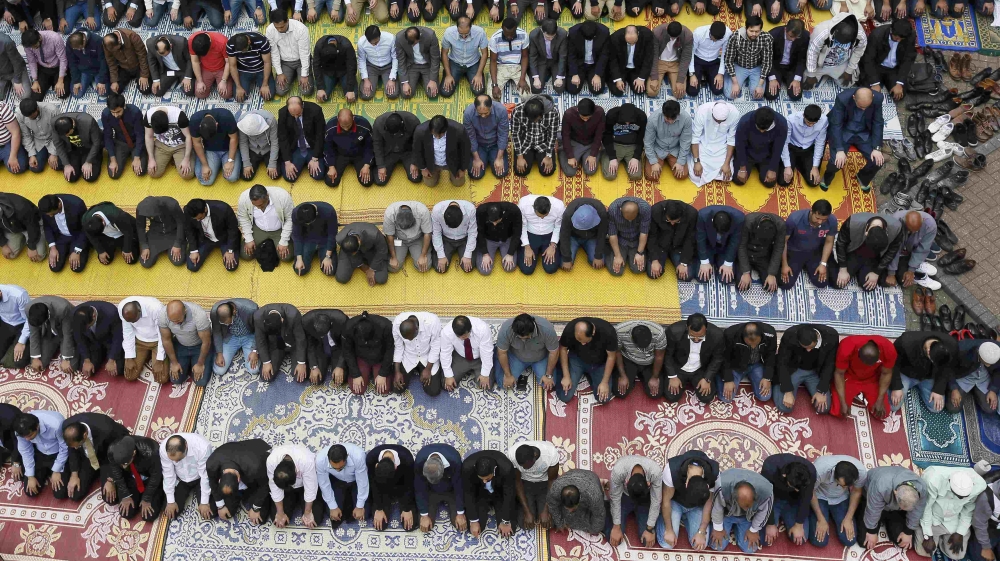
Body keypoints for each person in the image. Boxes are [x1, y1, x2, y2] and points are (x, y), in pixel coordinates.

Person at [822, 87, 884, 192]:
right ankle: (827, 177)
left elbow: (878, 122)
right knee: (836, 161)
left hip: (863, 133)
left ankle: (863, 177)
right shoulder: (842, 98)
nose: (863, 109)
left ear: (872, 97)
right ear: (854, 97)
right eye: (860, 106)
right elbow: (836, 125)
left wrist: (877, 148)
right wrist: (839, 149)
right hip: (844, 131)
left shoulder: (878, 98)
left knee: (877, 161)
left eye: (866, 107)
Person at [915, 467, 985, 559]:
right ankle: (932, 535)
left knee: (957, 556)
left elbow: (968, 511)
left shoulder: (979, 486)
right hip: (932, 518)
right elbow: (926, 507)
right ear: (949, 482)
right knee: (925, 552)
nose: (961, 498)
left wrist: (960, 532)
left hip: (954, 520)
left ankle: (942, 540)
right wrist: (927, 535)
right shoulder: (933, 480)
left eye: (965, 496)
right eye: (958, 495)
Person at [61, 413, 128, 502]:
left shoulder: (108, 430)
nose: (76, 448)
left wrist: (110, 479)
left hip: (107, 457)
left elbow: (116, 454)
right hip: (88, 457)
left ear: (85, 435)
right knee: (75, 493)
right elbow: (73, 449)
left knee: (110, 498)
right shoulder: (67, 426)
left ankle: (103, 473)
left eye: (78, 445)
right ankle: (95, 472)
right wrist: (74, 474)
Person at [206, 439, 274, 525]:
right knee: (212, 512)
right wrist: (220, 506)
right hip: (234, 453)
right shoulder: (211, 465)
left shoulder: (256, 468)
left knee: (260, 519)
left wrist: (255, 508)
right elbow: (213, 483)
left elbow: (265, 485)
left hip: (255, 463)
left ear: (239, 479)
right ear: (220, 479)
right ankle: (240, 496)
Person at [775, 323, 839, 414]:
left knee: (823, 408)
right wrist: (787, 390)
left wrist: (821, 390)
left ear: (817, 338)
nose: (808, 350)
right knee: (785, 407)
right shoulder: (790, 335)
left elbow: (829, 364)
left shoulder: (831, 336)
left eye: (811, 347)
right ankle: (778, 385)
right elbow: (782, 362)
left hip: (816, 372)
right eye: (805, 347)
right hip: (794, 370)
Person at [832, 213, 905, 291]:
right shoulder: (853, 222)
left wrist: (876, 272)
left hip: (874, 257)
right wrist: (843, 269)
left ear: (887, 233)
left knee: (869, 286)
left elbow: (892, 251)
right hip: (854, 251)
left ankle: (860, 272)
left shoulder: (897, 228)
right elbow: (841, 244)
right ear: (866, 232)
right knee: (838, 283)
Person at [862, 466, 927, 552]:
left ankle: (888, 520)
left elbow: (917, 510)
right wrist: (872, 531)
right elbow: (873, 509)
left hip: (895, 510)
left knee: (903, 542)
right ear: (895, 493)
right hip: (872, 500)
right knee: (864, 541)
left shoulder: (921, 489)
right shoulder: (881, 485)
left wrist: (908, 532)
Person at [892, 331, 958, 414]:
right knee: (893, 406)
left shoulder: (951, 345)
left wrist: (938, 389)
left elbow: (946, 368)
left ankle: (921, 388)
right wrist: (896, 386)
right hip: (906, 374)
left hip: (929, 376)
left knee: (936, 407)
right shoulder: (905, 342)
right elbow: (892, 363)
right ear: (928, 351)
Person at [831, 335, 897, 418]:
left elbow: (886, 373)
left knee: (883, 413)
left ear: (879, 353)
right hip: (850, 376)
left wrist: (880, 399)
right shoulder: (846, 346)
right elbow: (839, 373)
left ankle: (865, 397)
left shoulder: (888, 349)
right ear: (858, 352)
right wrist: (842, 402)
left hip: (872, 378)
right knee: (838, 411)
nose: (866, 365)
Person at [663, 314, 724, 404]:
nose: (696, 340)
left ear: (706, 329)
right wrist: (672, 376)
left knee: (707, 397)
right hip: (679, 367)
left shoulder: (717, 335)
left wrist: (707, 378)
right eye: (692, 336)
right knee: (671, 396)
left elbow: (717, 358)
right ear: (687, 328)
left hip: (700, 369)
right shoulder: (674, 331)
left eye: (700, 337)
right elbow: (667, 355)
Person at [710, 469, 773, 553]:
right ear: (734, 498)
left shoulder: (766, 492)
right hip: (727, 514)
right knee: (717, 546)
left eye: (749, 505)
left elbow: (764, 513)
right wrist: (718, 528)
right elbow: (717, 508)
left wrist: (753, 530)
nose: (746, 509)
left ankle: (738, 529)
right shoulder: (722, 487)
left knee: (750, 549)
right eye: (744, 506)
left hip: (747, 518)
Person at [104, 436, 165, 521]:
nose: (123, 467)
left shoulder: (151, 452)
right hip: (131, 477)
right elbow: (116, 472)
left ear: (134, 453)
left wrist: (146, 498)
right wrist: (125, 495)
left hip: (149, 479)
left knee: (148, 516)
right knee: (126, 512)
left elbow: (156, 476)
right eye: (121, 464)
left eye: (125, 463)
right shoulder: (112, 451)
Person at [557, 318, 617, 404]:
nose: (582, 344)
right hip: (577, 360)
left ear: (593, 333)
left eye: (585, 342)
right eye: (579, 341)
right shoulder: (570, 327)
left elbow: (611, 357)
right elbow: (563, 349)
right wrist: (566, 376)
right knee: (564, 396)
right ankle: (561, 372)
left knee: (603, 399)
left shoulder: (608, 331)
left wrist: (604, 382)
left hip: (599, 364)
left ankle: (591, 375)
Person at [811, 455, 866, 547]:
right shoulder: (819, 470)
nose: (844, 487)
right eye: (841, 485)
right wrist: (820, 519)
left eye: (847, 486)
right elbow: (810, 492)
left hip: (841, 498)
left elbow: (856, 491)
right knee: (819, 541)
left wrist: (848, 518)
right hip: (820, 495)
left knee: (849, 541)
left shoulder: (861, 472)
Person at [606, 455, 662, 547]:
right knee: (613, 539)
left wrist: (649, 529)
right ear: (626, 481)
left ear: (648, 483)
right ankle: (606, 509)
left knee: (646, 541)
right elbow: (615, 497)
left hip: (644, 499)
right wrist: (616, 526)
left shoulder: (655, 472)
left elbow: (656, 500)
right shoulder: (619, 470)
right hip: (625, 497)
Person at [762, 454, 817, 547]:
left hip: (794, 502)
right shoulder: (770, 466)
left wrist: (799, 524)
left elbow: (806, 498)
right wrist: (770, 524)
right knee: (765, 539)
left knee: (800, 539)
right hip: (773, 500)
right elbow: (765, 496)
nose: (797, 490)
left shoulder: (810, 471)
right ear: (784, 475)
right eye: (795, 488)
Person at [494, 313, 559, 391]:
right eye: (520, 338)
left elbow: (554, 352)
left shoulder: (547, 329)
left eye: (526, 338)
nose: (523, 340)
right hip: (516, 356)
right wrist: (508, 375)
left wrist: (548, 375)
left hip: (540, 358)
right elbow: (502, 353)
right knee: (503, 384)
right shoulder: (506, 329)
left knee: (548, 385)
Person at [13, 410, 69, 498]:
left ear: (37, 426)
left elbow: (65, 448)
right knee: (30, 491)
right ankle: (46, 472)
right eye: (25, 437)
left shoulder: (56, 425)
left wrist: (56, 470)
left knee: (60, 493)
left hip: (57, 454)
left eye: (30, 435)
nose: (27, 439)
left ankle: (51, 471)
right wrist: (30, 476)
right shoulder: (20, 431)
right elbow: (26, 451)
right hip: (39, 453)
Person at [160, 433, 215, 521]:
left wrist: (204, 502)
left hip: (199, 478)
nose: (176, 462)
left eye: (179, 459)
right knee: (171, 513)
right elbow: (168, 474)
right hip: (180, 479)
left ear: (186, 446)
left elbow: (205, 475)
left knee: (210, 512)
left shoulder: (203, 447)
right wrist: (170, 501)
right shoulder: (163, 449)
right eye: (173, 461)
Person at [158, 300, 213, 387]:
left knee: (201, 382)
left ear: (185, 312)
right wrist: (174, 362)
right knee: (176, 380)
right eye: (172, 321)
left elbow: (206, 342)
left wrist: (200, 364)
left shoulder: (199, 315)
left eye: (178, 320)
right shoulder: (163, 315)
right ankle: (189, 364)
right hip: (181, 344)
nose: (175, 323)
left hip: (199, 346)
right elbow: (166, 340)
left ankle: (196, 362)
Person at [462, 450, 516, 538]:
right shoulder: (467, 467)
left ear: (494, 470)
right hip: (480, 493)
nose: (484, 481)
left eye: (487, 479)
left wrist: (505, 522)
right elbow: (468, 493)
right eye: (481, 478)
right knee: (473, 527)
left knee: (510, 528)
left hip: (499, 493)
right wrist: (473, 521)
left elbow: (509, 494)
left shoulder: (506, 468)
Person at [237, 184, 295, 264]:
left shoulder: (283, 196)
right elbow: (244, 219)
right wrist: (249, 239)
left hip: (279, 229)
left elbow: (290, 219)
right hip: (259, 228)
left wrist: (283, 241)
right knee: (245, 255)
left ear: (267, 196)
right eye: (255, 205)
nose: (258, 207)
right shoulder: (244, 199)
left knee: (287, 257)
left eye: (261, 205)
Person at [804, 13, 865, 89]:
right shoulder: (821, 31)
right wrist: (811, 74)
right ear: (836, 31)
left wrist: (849, 70)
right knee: (805, 84)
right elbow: (812, 52)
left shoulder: (860, 35)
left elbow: (859, 51)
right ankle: (822, 75)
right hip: (820, 64)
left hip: (840, 63)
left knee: (847, 85)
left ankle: (828, 75)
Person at [315, 443, 369, 530]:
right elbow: (324, 484)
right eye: (334, 468)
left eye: (341, 468)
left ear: (346, 457)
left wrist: (359, 506)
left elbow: (362, 482)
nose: (338, 470)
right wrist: (333, 506)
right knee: (332, 514)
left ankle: (349, 500)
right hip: (337, 481)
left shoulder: (358, 456)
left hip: (355, 480)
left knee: (365, 513)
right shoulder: (320, 460)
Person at [413, 444, 466, 532]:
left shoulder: (455, 461)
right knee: (425, 526)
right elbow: (419, 488)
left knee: (460, 525)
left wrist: (460, 513)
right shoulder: (419, 461)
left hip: (451, 491)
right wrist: (424, 515)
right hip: (431, 491)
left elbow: (459, 486)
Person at [721, 321, 777, 402]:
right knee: (726, 398)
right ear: (743, 337)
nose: (753, 347)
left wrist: (767, 377)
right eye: (750, 344)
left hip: (757, 364)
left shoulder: (770, 334)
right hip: (736, 366)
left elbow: (771, 355)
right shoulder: (730, 334)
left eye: (756, 344)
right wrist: (727, 379)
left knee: (765, 396)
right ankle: (719, 377)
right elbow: (724, 357)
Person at [509, 440, 560, 529]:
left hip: (544, 483)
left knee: (551, 523)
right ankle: (525, 505)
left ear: (535, 456)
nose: (524, 468)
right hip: (525, 483)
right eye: (522, 466)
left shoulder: (550, 453)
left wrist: (546, 509)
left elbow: (552, 480)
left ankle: (538, 506)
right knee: (524, 523)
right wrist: (527, 512)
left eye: (526, 466)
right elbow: (517, 481)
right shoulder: (512, 454)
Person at [341, 312, 394, 395]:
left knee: (384, 390)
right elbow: (348, 351)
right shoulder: (349, 327)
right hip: (362, 358)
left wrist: (383, 374)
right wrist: (355, 374)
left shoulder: (385, 326)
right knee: (358, 390)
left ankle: (375, 372)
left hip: (380, 358)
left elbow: (390, 350)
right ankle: (366, 372)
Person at [861, 20, 915, 102]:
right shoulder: (877, 35)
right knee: (866, 95)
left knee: (899, 95)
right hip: (877, 66)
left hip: (894, 69)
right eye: (897, 38)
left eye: (901, 39)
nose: (899, 40)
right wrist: (875, 83)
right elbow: (868, 59)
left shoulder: (910, 36)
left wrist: (899, 83)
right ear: (891, 31)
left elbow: (908, 59)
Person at [734, 107, 788, 188]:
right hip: (748, 153)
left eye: (765, 130)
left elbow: (778, 148)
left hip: (767, 155)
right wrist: (742, 168)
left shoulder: (781, 123)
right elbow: (740, 145)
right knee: (738, 180)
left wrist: (772, 169)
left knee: (769, 183)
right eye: (759, 128)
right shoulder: (745, 121)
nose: (762, 132)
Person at [266, 444, 319, 528]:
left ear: (296, 472)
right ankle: (293, 500)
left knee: (316, 518)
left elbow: (311, 488)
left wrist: (307, 512)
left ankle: (299, 501)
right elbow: (274, 487)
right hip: (286, 489)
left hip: (303, 486)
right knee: (278, 520)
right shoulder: (271, 461)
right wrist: (280, 513)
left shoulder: (306, 460)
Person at [367, 444, 417, 531]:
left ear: (395, 466)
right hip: (381, 489)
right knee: (380, 526)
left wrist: (406, 509)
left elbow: (409, 484)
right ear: (376, 465)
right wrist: (379, 508)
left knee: (410, 527)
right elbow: (373, 485)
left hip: (401, 486)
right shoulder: (371, 459)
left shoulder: (407, 459)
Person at [688, 101, 739, 186]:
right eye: (716, 120)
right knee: (695, 175)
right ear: (712, 112)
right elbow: (695, 138)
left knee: (728, 175)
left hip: (722, 147)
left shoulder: (734, 113)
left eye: (721, 121)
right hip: (704, 144)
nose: (718, 123)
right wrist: (697, 162)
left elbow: (731, 139)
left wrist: (726, 163)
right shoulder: (702, 111)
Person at [182, 199, 240, 273]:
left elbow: (233, 229)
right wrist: (194, 250)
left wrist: (230, 250)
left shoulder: (224, 209)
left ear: (205, 209)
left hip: (224, 238)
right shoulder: (188, 212)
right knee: (192, 266)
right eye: (195, 219)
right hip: (204, 239)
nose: (198, 220)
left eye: (200, 218)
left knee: (231, 266)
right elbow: (189, 230)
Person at [391, 311, 442, 395]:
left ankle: (422, 369)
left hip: (427, 357)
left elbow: (435, 347)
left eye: (411, 338)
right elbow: (398, 347)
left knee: (433, 391)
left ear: (417, 329)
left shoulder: (432, 322)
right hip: (409, 357)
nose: (410, 340)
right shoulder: (397, 323)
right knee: (397, 389)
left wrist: (428, 369)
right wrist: (397, 371)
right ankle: (416, 369)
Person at [277, 97, 326, 183]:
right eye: (293, 115)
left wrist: (315, 158)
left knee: (319, 175)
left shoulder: (315, 110)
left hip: (312, 147)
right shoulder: (282, 113)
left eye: (298, 114)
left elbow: (320, 135)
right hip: (296, 148)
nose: (296, 117)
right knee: (289, 177)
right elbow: (283, 138)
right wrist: (287, 162)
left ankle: (309, 161)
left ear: (302, 106)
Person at [612, 320, 666, 399]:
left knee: (655, 394)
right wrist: (622, 375)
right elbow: (617, 352)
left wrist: (654, 377)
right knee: (619, 392)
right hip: (629, 359)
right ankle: (633, 376)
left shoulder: (659, 333)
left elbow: (659, 357)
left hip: (650, 362)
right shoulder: (619, 331)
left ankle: (642, 376)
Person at [888, 210, 940, 290]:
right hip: (898, 251)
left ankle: (916, 265)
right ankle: (913, 264)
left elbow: (923, 249)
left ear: (923, 221)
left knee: (923, 246)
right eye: (910, 230)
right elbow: (893, 249)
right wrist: (891, 272)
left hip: (911, 248)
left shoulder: (930, 225)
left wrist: (911, 270)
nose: (913, 232)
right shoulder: (895, 222)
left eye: (916, 231)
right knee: (902, 281)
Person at [253, 303, 306, 382]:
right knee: (267, 376)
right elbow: (260, 339)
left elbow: (300, 339)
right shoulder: (258, 317)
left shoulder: (293, 314)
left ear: (282, 320)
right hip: (276, 345)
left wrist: (301, 363)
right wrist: (266, 362)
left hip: (293, 345)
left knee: (299, 377)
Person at [722, 17, 772, 100]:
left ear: (761, 30)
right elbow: (728, 60)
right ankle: (731, 78)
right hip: (739, 66)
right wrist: (735, 82)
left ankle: (752, 81)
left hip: (756, 67)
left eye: (757, 31)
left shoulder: (766, 38)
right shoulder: (735, 37)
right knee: (730, 94)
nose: (754, 34)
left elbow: (767, 62)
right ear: (746, 29)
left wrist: (760, 85)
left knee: (757, 96)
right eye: (751, 31)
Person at [265, 10, 312, 98]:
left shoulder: (301, 29)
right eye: (276, 27)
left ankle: (297, 73)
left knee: (306, 91)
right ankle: (293, 74)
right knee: (280, 91)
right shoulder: (270, 30)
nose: (279, 30)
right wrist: (279, 73)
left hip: (300, 61)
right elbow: (274, 53)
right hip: (285, 62)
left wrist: (304, 75)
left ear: (287, 21)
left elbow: (304, 53)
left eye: (282, 27)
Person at [118, 297, 166, 382]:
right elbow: (128, 332)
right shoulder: (123, 308)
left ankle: (152, 355)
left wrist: (160, 359)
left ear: (139, 311)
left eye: (134, 320)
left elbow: (163, 335)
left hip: (157, 341)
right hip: (139, 341)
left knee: (161, 378)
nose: (133, 323)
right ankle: (147, 355)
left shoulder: (156, 308)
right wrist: (129, 357)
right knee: (129, 376)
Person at [439, 315, 493, 391]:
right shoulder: (447, 332)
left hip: (480, 357)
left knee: (486, 385)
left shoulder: (482, 329)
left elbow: (487, 352)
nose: (462, 338)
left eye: (464, 336)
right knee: (446, 384)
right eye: (459, 337)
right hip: (461, 356)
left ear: (470, 330)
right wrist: (448, 375)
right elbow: (445, 353)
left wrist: (485, 374)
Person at [323, 109, 375, 188]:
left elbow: (369, 146)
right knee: (330, 181)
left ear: (353, 118)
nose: (346, 129)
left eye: (348, 125)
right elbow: (328, 148)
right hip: (341, 154)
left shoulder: (364, 125)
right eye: (343, 126)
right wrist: (331, 166)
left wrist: (367, 165)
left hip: (359, 154)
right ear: (338, 119)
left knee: (367, 181)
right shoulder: (330, 127)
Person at [415, 116, 471, 188]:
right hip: (432, 162)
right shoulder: (420, 131)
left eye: (441, 134)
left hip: (453, 162)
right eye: (435, 134)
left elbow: (466, 151)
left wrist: (462, 169)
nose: (438, 137)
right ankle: (436, 171)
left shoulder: (459, 130)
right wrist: (423, 168)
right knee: (430, 184)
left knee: (459, 183)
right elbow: (417, 151)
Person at [780, 105, 828, 189]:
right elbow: (784, 142)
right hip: (792, 147)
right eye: (808, 122)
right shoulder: (791, 120)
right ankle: (796, 162)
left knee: (813, 182)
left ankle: (799, 163)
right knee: (783, 181)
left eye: (814, 123)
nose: (810, 125)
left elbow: (820, 143)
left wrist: (815, 167)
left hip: (808, 149)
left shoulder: (823, 121)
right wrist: (787, 166)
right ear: (803, 115)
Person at [189, 107, 240, 186]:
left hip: (228, 149)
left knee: (232, 177)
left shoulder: (226, 116)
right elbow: (197, 143)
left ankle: (220, 164)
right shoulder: (194, 120)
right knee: (206, 181)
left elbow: (234, 138)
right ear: (200, 126)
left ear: (217, 124)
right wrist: (205, 165)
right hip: (210, 150)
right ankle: (205, 161)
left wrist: (230, 160)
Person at [510, 96, 559, 178]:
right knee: (521, 172)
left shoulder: (553, 112)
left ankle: (537, 156)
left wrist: (548, 156)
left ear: (542, 114)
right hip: (526, 141)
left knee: (547, 171)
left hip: (543, 142)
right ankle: (532, 156)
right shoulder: (518, 111)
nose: (534, 122)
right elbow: (515, 134)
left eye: (536, 119)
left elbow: (552, 135)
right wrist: (520, 157)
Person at [72, 301, 124, 377]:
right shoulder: (75, 315)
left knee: (118, 369)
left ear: (94, 316)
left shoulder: (111, 313)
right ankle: (100, 356)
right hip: (92, 343)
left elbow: (118, 337)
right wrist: (87, 360)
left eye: (88, 327)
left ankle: (107, 356)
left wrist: (111, 359)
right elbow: (79, 338)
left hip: (109, 341)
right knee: (87, 370)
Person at [37, 194, 88, 273]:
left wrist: (77, 251)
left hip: (77, 235)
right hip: (60, 236)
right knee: (55, 267)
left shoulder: (77, 204)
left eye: (53, 214)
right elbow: (47, 226)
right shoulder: (45, 208)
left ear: (59, 205)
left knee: (77, 267)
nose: (50, 216)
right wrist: (52, 247)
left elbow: (84, 228)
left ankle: (82, 248)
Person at [440, 17, 488, 98]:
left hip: (473, 63)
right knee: (445, 92)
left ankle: (468, 74)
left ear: (471, 27)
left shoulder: (480, 32)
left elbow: (485, 53)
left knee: (479, 91)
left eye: (467, 33)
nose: (464, 36)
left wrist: (479, 74)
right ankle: (450, 73)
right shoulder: (449, 33)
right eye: (461, 34)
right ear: (457, 27)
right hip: (455, 63)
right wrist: (448, 75)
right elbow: (444, 53)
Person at [26, 296, 77, 373]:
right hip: (49, 333)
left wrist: (66, 359)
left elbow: (67, 334)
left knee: (71, 366)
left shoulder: (63, 308)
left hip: (65, 332)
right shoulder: (28, 309)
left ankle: (62, 347)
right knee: (39, 363)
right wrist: (35, 357)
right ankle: (56, 346)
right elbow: (33, 333)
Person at [102, 94, 147, 180]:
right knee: (113, 174)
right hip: (120, 142)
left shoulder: (135, 112)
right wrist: (113, 159)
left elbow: (140, 134)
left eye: (118, 112)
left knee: (141, 171)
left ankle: (136, 154)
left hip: (135, 142)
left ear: (124, 106)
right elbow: (108, 136)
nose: (115, 115)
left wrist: (137, 157)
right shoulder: (106, 114)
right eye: (113, 112)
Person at [736, 212, 785, 292]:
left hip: (763, 255)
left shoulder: (780, 225)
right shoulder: (748, 222)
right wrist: (745, 272)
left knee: (771, 286)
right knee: (743, 286)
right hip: (747, 253)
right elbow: (741, 246)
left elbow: (778, 249)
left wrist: (771, 273)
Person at [210, 299, 259, 378]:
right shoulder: (215, 312)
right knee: (219, 370)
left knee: (254, 369)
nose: (226, 324)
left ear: (234, 312)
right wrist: (219, 353)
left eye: (227, 322)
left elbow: (259, 330)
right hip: (231, 337)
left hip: (249, 336)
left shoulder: (251, 310)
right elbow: (217, 332)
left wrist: (254, 350)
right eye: (223, 323)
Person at [644, 100, 691, 182]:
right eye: (667, 119)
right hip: (658, 149)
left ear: (678, 114)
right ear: (663, 113)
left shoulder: (686, 119)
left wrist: (680, 162)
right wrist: (653, 162)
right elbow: (648, 142)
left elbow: (686, 142)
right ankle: (648, 158)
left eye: (673, 119)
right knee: (651, 176)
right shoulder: (653, 119)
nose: (670, 121)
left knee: (682, 175)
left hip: (675, 149)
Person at [464, 95, 509, 180]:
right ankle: (485, 158)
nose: (483, 116)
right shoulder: (468, 113)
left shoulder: (501, 111)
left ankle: (491, 158)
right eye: (480, 113)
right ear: (475, 108)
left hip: (495, 144)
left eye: (486, 113)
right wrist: (476, 158)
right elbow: (470, 137)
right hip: (479, 145)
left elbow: (503, 134)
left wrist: (499, 158)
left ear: (491, 107)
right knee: (475, 175)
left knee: (501, 173)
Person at [143, 105, 194, 180]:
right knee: (153, 173)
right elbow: (149, 136)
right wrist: (151, 158)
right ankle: (172, 158)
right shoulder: (148, 116)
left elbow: (188, 136)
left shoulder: (179, 116)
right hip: (162, 145)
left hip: (180, 145)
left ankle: (182, 157)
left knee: (187, 175)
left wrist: (186, 159)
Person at [517, 194, 564, 275]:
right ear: (533, 207)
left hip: (550, 235)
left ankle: (556, 249)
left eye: (545, 216)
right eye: (539, 216)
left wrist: (553, 245)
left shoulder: (559, 206)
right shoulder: (523, 204)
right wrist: (527, 246)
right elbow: (522, 226)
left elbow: (558, 226)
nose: (542, 218)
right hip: (530, 234)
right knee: (527, 269)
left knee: (551, 269)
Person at [548, 469, 605, 535]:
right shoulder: (556, 488)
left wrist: (594, 530)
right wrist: (559, 523)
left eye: (573, 508)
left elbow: (599, 515)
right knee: (552, 519)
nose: (570, 511)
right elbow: (552, 505)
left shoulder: (593, 495)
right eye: (568, 508)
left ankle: (602, 484)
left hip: (591, 479)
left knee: (591, 524)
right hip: (572, 475)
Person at [696, 206, 744, 284]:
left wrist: (728, 263)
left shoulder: (739, 219)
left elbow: (734, 241)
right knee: (702, 278)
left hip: (725, 248)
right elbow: (700, 239)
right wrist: (704, 262)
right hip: (709, 246)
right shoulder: (703, 215)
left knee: (726, 279)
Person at [949, 341, 1000, 415]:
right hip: (964, 379)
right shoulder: (962, 353)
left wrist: (993, 390)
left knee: (991, 409)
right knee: (953, 408)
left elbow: (998, 372)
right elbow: (949, 370)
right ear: (980, 356)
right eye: (988, 363)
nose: (991, 364)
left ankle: (976, 392)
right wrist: (954, 388)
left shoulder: (996, 352)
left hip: (983, 380)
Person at [135, 196, 185, 269]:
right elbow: (140, 227)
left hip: (173, 231)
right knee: (145, 262)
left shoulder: (172, 204)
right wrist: (144, 246)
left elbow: (181, 223)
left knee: (178, 261)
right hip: (156, 233)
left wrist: (178, 243)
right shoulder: (141, 208)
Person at [371, 112, 420, 186]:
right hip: (389, 152)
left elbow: (418, 143)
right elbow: (377, 144)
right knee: (379, 180)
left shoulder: (413, 121)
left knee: (416, 178)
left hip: (407, 151)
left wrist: (414, 162)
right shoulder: (378, 123)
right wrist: (381, 166)